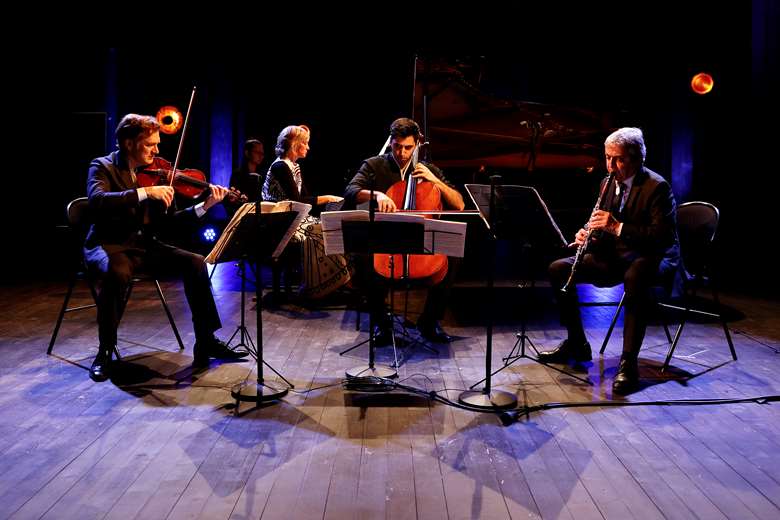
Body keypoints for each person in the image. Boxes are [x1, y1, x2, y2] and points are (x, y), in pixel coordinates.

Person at [84, 114, 248, 382]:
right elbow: (97, 200)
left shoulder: (158, 176)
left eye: (157, 144)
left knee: (195, 262)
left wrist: (204, 207)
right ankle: (104, 351)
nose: (157, 150)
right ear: (128, 143)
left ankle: (205, 340)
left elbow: (169, 225)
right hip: (108, 244)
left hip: (143, 246)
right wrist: (145, 193)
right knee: (118, 273)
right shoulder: (102, 167)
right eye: (150, 144)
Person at [538, 127, 679, 394]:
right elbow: (602, 226)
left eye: (619, 159)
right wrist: (587, 236)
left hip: (652, 257)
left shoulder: (657, 187)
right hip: (618, 256)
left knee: (635, 276)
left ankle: (629, 363)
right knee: (558, 269)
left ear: (637, 158)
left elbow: (661, 238)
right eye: (607, 157)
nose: (611, 165)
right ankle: (577, 343)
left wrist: (617, 227)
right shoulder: (607, 183)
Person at [343, 117, 465, 344]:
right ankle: (382, 324)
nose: (402, 153)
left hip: (419, 241)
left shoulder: (428, 170)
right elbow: (351, 190)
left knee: (453, 257)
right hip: (385, 240)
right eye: (397, 146)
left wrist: (434, 181)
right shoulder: (374, 165)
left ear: (417, 145)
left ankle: (429, 321)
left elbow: (459, 204)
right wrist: (378, 195)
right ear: (391, 143)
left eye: (408, 147)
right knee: (363, 256)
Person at [262, 125, 343, 206]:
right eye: (305, 143)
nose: (308, 147)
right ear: (294, 143)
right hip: (277, 215)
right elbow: (296, 199)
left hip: (290, 213)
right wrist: (327, 198)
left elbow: (304, 197)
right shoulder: (280, 166)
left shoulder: (293, 166)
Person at [230, 138, 265, 203]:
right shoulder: (238, 174)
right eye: (257, 152)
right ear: (247, 153)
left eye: (262, 153)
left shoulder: (263, 175)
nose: (261, 156)